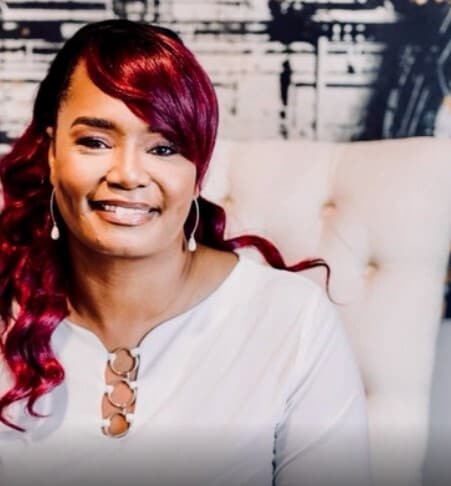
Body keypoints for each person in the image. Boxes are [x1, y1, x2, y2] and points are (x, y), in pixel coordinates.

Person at [0, 19, 371, 486]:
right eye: (95, 141)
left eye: (164, 148)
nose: (128, 174)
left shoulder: (292, 320)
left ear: (198, 172)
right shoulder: (8, 308)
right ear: (53, 154)